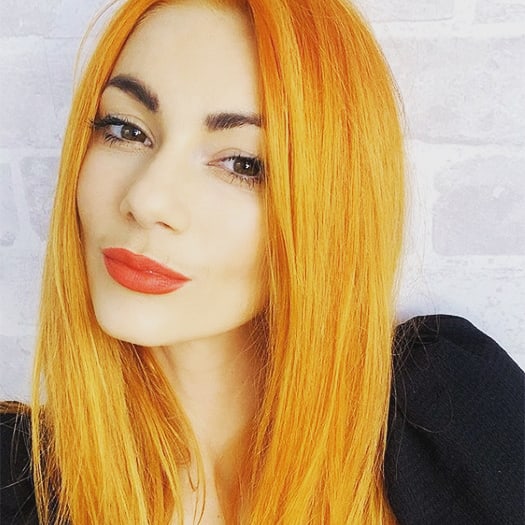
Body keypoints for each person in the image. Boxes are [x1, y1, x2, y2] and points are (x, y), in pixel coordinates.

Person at [1, 0, 523, 523]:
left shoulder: (448, 412)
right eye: (126, 130)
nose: (147, 199)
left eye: (242, 163)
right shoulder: (16, 476)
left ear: (332, 209)